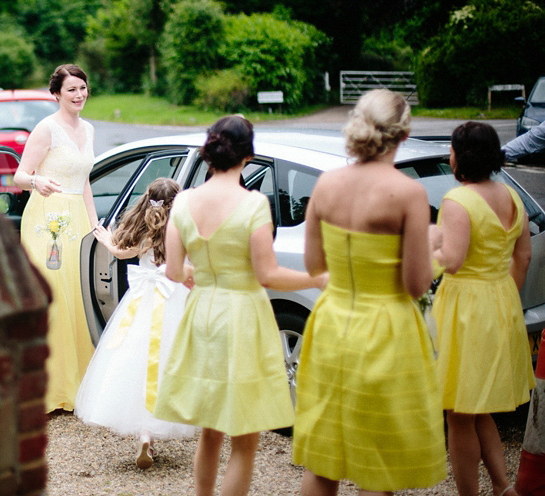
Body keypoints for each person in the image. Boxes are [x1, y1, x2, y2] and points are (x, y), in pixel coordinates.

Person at [153, 115, 326, 496]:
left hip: (202, 314)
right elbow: (267, 274)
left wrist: (201, 274)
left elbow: (174, 269)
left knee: (210, 430)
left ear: (209, 152)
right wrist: (316, 279)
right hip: (243, 315)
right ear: (248, 154)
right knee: (245, 439)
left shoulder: (183, 201)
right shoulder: (253, 203)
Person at [292, 89, 447, 495]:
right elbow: (416, 285)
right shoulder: (408, 193)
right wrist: (432, 246)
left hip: (331, 324)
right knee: (376, 461)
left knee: (324, 460)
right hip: (385, 331)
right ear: (404, 133)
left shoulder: (326, 185)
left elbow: (314, 266)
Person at [432, 121, 534, 496]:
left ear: (461, 155)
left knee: (458, 414)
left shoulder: (458, 200)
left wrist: (425, 247)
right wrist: (502, 298)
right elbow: (522, 256)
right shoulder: (512, 197)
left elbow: (453, 260)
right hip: (500, 299)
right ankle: (503, 486)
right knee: (478, 407)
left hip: (466, 310)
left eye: (452, 148)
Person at [75, 178, 197, 470]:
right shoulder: (182, 231)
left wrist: (106, 240)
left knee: (136, 361)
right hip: (173, 299)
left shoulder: (141, 231)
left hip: (142, 300)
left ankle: (144, 435)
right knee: (169, 359)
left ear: (147, 201)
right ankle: (156, 426)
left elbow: (120, 252)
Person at [13, 64, 97, 413]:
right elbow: (19, 175)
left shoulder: (89, 129)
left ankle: (74, 385)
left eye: (82, 88)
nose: (79, 95)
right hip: (47, 220)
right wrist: (37, 182)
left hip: (77, 218)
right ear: (56, 95)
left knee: (77, 299)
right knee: (54, 299)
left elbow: (85, 181)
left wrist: (96, 227)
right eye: (71, 90)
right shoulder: (46, 129)